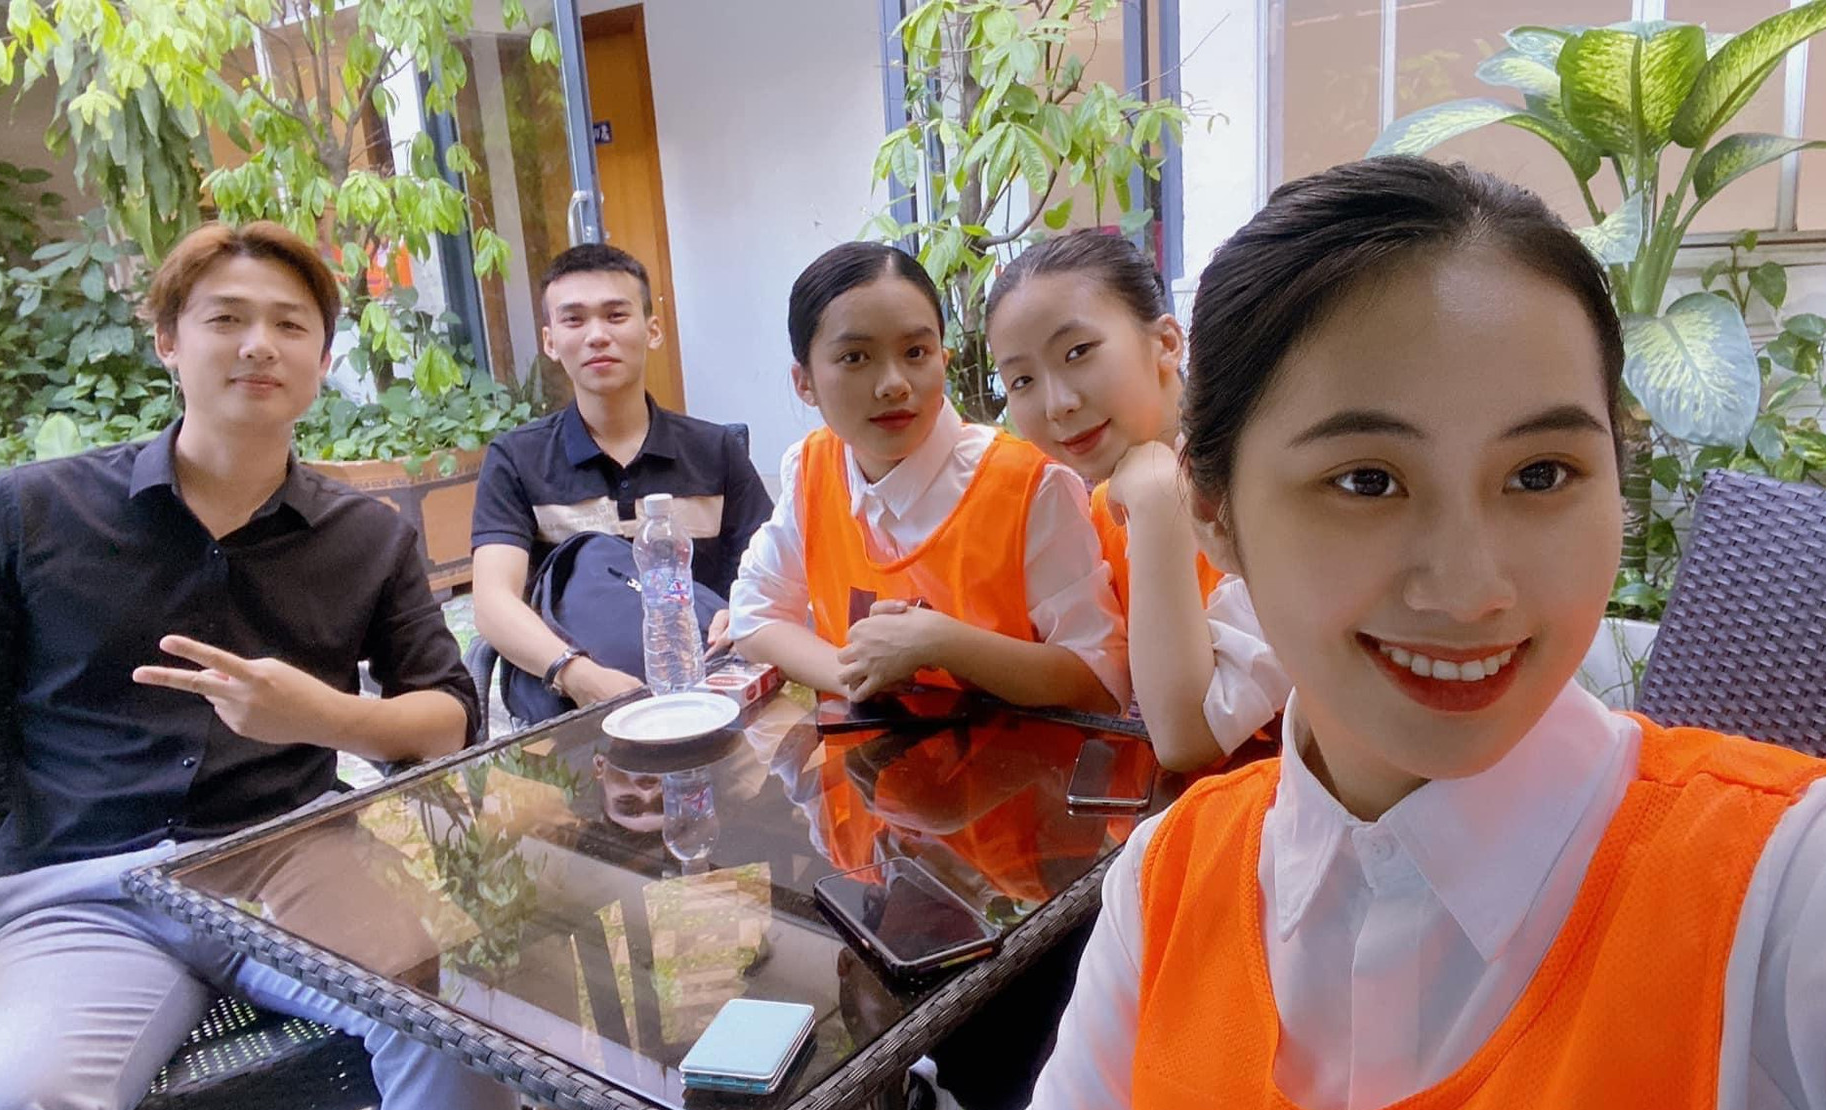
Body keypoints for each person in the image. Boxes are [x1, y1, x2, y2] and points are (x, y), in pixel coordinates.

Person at [1023, 157, 1826, 1110]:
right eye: (1368, 481)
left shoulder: (1820, 898)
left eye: (1541, 474)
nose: (1471, 591)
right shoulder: (1165, 889)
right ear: (1213, 510)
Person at [0, 221, 519, 1110]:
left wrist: (322, 715)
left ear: (322, 359)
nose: (260, 345)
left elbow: (448, 715)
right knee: (1, 1103)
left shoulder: (366, 535)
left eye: (290, 325)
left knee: (470, 1028)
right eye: (226, 319)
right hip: (84, 892)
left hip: (295, 855)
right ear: (168, 340)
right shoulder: (29, 513)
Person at [729, 241, 1125, 713]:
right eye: (855, 357)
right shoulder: (811, 469)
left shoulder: (1029, 488)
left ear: (944, 358)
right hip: (863, 758)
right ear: (804, 382)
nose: (894, 384)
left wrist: (944, 643)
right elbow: (754, 614)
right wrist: (853, 672)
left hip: (1023, 759)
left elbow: (1103, 682)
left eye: (915, 352)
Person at [988, 230, 1291, 769]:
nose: (1057, 404)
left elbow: (1186, 738)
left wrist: (1158, 505)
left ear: (1167, 343)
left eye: (1077, 352)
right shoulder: (1104, 502)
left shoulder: (1262, 483)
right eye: (1022, 380)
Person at [472, 242, 772, 709]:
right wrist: (577, 674)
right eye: (574, 320)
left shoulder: (715, 451)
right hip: (573, 705)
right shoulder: (516, 459)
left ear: (652, 330)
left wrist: (744, 612)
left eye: (616, 316)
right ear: (550, 341)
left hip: (708, 695)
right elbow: (493, 602)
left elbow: (774, 575)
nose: (597, 336)